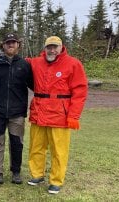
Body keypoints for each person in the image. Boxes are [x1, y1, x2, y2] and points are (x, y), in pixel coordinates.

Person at [26, 36, 88, 194]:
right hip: (39, 112)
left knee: (59, 150)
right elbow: (19, 63)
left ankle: (56, 181)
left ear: (61, 47)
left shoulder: (73, 64)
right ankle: (37, 175)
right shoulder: (36, 62)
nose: (52, 50)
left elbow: (80, 91)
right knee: (36, 146)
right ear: (45, 48)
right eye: (49, 47)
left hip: (60, 115)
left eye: (55, 47)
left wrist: (74, 116)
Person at [0, 33, 33, 185]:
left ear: (18, 45)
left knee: (16, 143)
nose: (11, 45)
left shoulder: (24, 65)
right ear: (3, 45)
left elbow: (35, 85)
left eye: (14, 42)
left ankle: (16, 172)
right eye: (8, 42)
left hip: (17, 112)